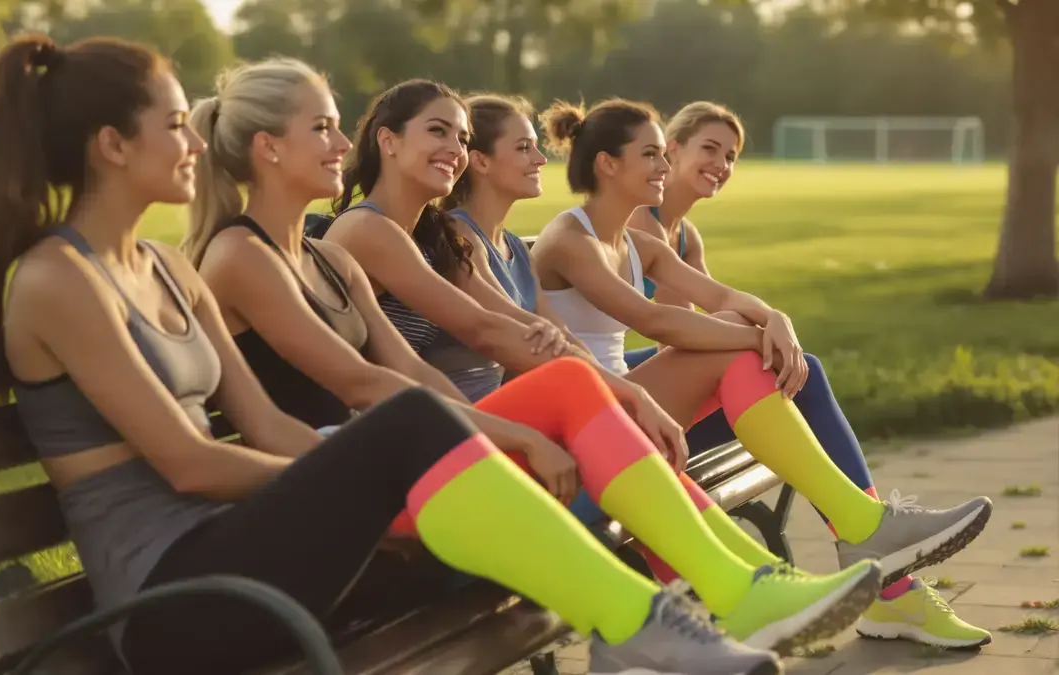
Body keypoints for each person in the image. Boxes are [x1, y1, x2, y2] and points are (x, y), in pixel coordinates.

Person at [0, 34, 814, 675]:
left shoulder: (163, 269)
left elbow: (261, 423)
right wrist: (366, 467)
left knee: (421, 426)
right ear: (112, 146)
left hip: (255, 560)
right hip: (177, 604)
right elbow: (190, 464)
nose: (195, 143)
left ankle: (655, 616)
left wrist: (385, 464)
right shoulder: (57, 281)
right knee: (408, 425)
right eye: (177, 125)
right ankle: (645, 624)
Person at [179, 62, 886, 665]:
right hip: (350, 493)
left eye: (339, 125)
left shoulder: (329, 252)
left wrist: (613, 399)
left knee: (575, 383)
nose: (342, 141)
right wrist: (516, 432)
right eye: (323, 128)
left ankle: (742, 584)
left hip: (405, 459)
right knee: (574, 388)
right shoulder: (248, 254)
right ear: (268, 148)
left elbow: (416, 374)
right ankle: (737, 589)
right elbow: (366, 381)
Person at [517, 95, 993, 600]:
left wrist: (776, 320)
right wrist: (755, 336)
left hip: (616, 396)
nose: (664, 165)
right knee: (744, 354)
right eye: (652, 155)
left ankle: (856, 535)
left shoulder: (638, 244)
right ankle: (862, 531)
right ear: (608, 164)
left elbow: (721, 298)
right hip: (582, 414)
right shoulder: (571, 238)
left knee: (752, 347)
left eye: (663, 154)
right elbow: (654, 319)